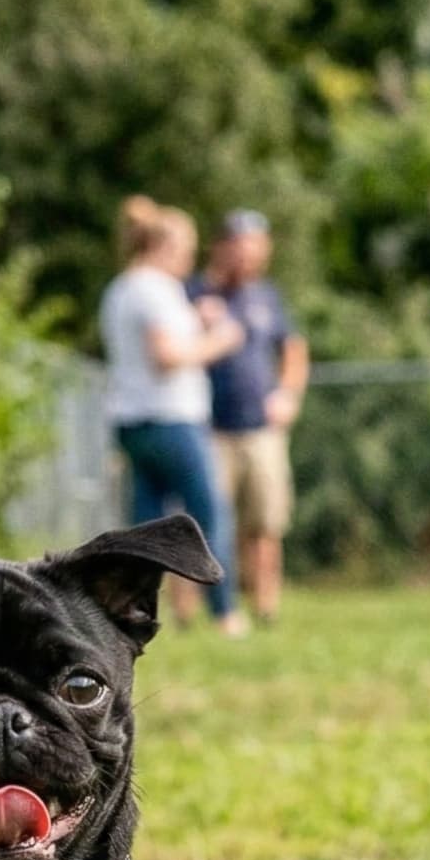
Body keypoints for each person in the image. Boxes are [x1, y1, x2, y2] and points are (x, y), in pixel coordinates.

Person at [97, 197, 248, 636]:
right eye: (188, 249)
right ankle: (225, 613)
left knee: (148, 527)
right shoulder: (156, 289)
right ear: (166, 246)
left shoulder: (121, 288)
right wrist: (222, 339)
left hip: (132, 421)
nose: (190, 259)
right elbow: (166, 355)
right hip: (171, 420)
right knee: (208, 516)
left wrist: (196, 318)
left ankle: (133, 612)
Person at [192, 209, 307, 624]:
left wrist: (288, 394)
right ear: (220, 247)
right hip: (209, 429)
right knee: (202, 523)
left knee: (266, 522)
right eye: (239, 245)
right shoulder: (195, 293)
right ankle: (190, 612)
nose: (247, 255)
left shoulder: (267, 297)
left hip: (261, 430)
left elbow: (293, 350)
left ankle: (265, 608)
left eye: (255, 246)